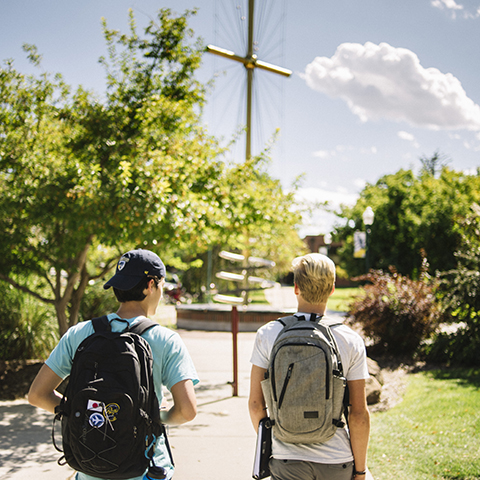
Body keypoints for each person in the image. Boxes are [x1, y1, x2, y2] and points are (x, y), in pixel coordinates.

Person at [28, 248, 199, 480]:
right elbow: (186, 411)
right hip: (144, 468)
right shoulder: (165, 340)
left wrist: (81, 414)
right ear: (150, 285)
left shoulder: (80, 333)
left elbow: (37, 395)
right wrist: (155, 416)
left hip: (89, 466)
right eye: (161, 285)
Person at [248, 253, 370, 480]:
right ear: (332, 289)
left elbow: (256, 405)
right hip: (336, 460)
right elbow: (359, 414)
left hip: (286, 459)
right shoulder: (349, 340)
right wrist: (360, 471)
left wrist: (275, 443)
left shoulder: (268, 334)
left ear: (296, 287)